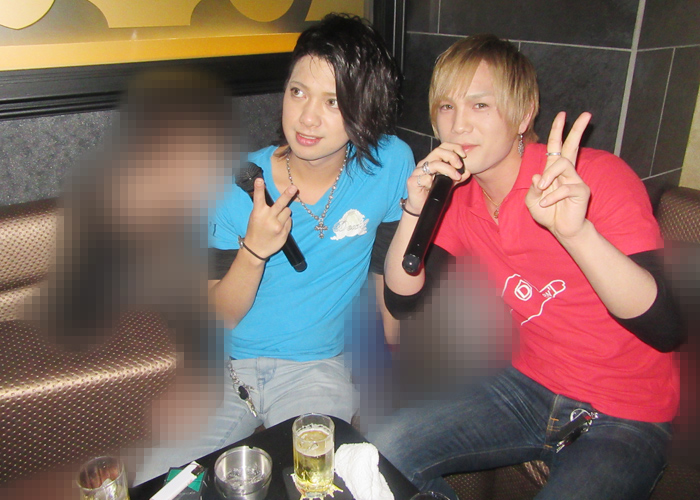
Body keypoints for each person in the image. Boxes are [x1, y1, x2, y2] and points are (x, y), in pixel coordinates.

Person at [371, 35, 684, 500]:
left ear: (523, 114)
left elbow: (666, 328)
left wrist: (576, 234)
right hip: (527, 386)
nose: (458, 124)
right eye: (447, 107)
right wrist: (415, 210)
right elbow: (402, 300)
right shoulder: (458, 198)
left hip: (628, 410)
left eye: (480, 105)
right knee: (381, 449)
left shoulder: (596, 177)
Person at [131, 13, 413, 484]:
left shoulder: (390, 164)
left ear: (366, 108)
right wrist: (255, 252)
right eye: (298, 92)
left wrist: (392, 358)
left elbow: (387, 266)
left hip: (317, 369)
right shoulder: (236, 184)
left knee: (316, 485)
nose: (306, 117)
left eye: (332, 101)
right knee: (153, 480)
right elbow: (218, 316)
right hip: (225, 372)